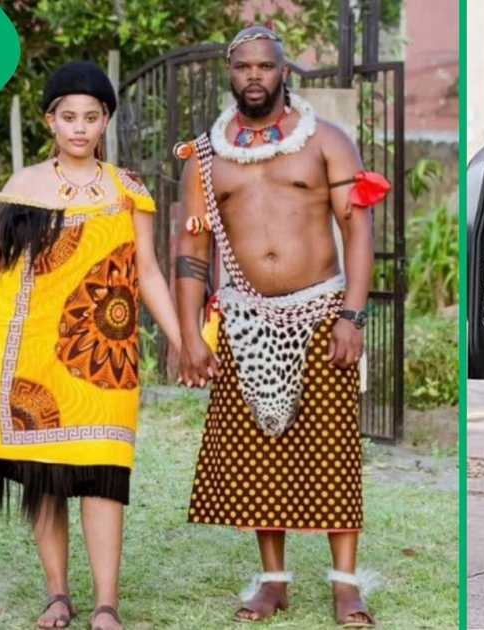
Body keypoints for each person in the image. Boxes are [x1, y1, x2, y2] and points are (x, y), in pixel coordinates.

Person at [173, 25, 387, 626]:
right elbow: (192, 250)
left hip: (321, 314)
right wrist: (190, 334)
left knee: (332, 449)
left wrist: (352, 313)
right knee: (261, 453)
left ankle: (346, 585)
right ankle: (274, 581)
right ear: (229, 71)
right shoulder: (206, 155)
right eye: (243, 67)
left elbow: (358, 231)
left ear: (283, 69)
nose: (254, 78)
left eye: (265, 67)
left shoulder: (328, 141)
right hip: (244, 321)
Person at [0, 61, 181, 630]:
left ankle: (107, 604)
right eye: (68, 117)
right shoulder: (19, 189)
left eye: (91, 117)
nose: (80, 128)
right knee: (48, 478)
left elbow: (150, 274)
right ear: (50, 122)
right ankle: (57, 594)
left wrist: (181, 340)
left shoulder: (128, 191)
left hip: (107, 357)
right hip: (28, 355)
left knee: (105, 472)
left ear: (106, 120)